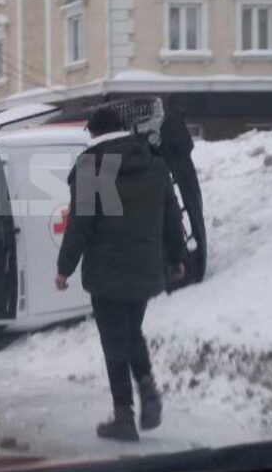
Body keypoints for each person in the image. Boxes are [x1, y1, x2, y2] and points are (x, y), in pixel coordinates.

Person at [55, 107, 186, 441]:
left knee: (114, 340)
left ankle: (124, 415)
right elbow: (171, 214)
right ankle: (148, 388)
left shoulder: (93, 165)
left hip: (107, 270)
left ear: (94, 132)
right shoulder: (154, 163)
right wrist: (176, 258)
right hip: (145, 266)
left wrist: (64, 268)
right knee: (130, 331)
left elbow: (81, 224)